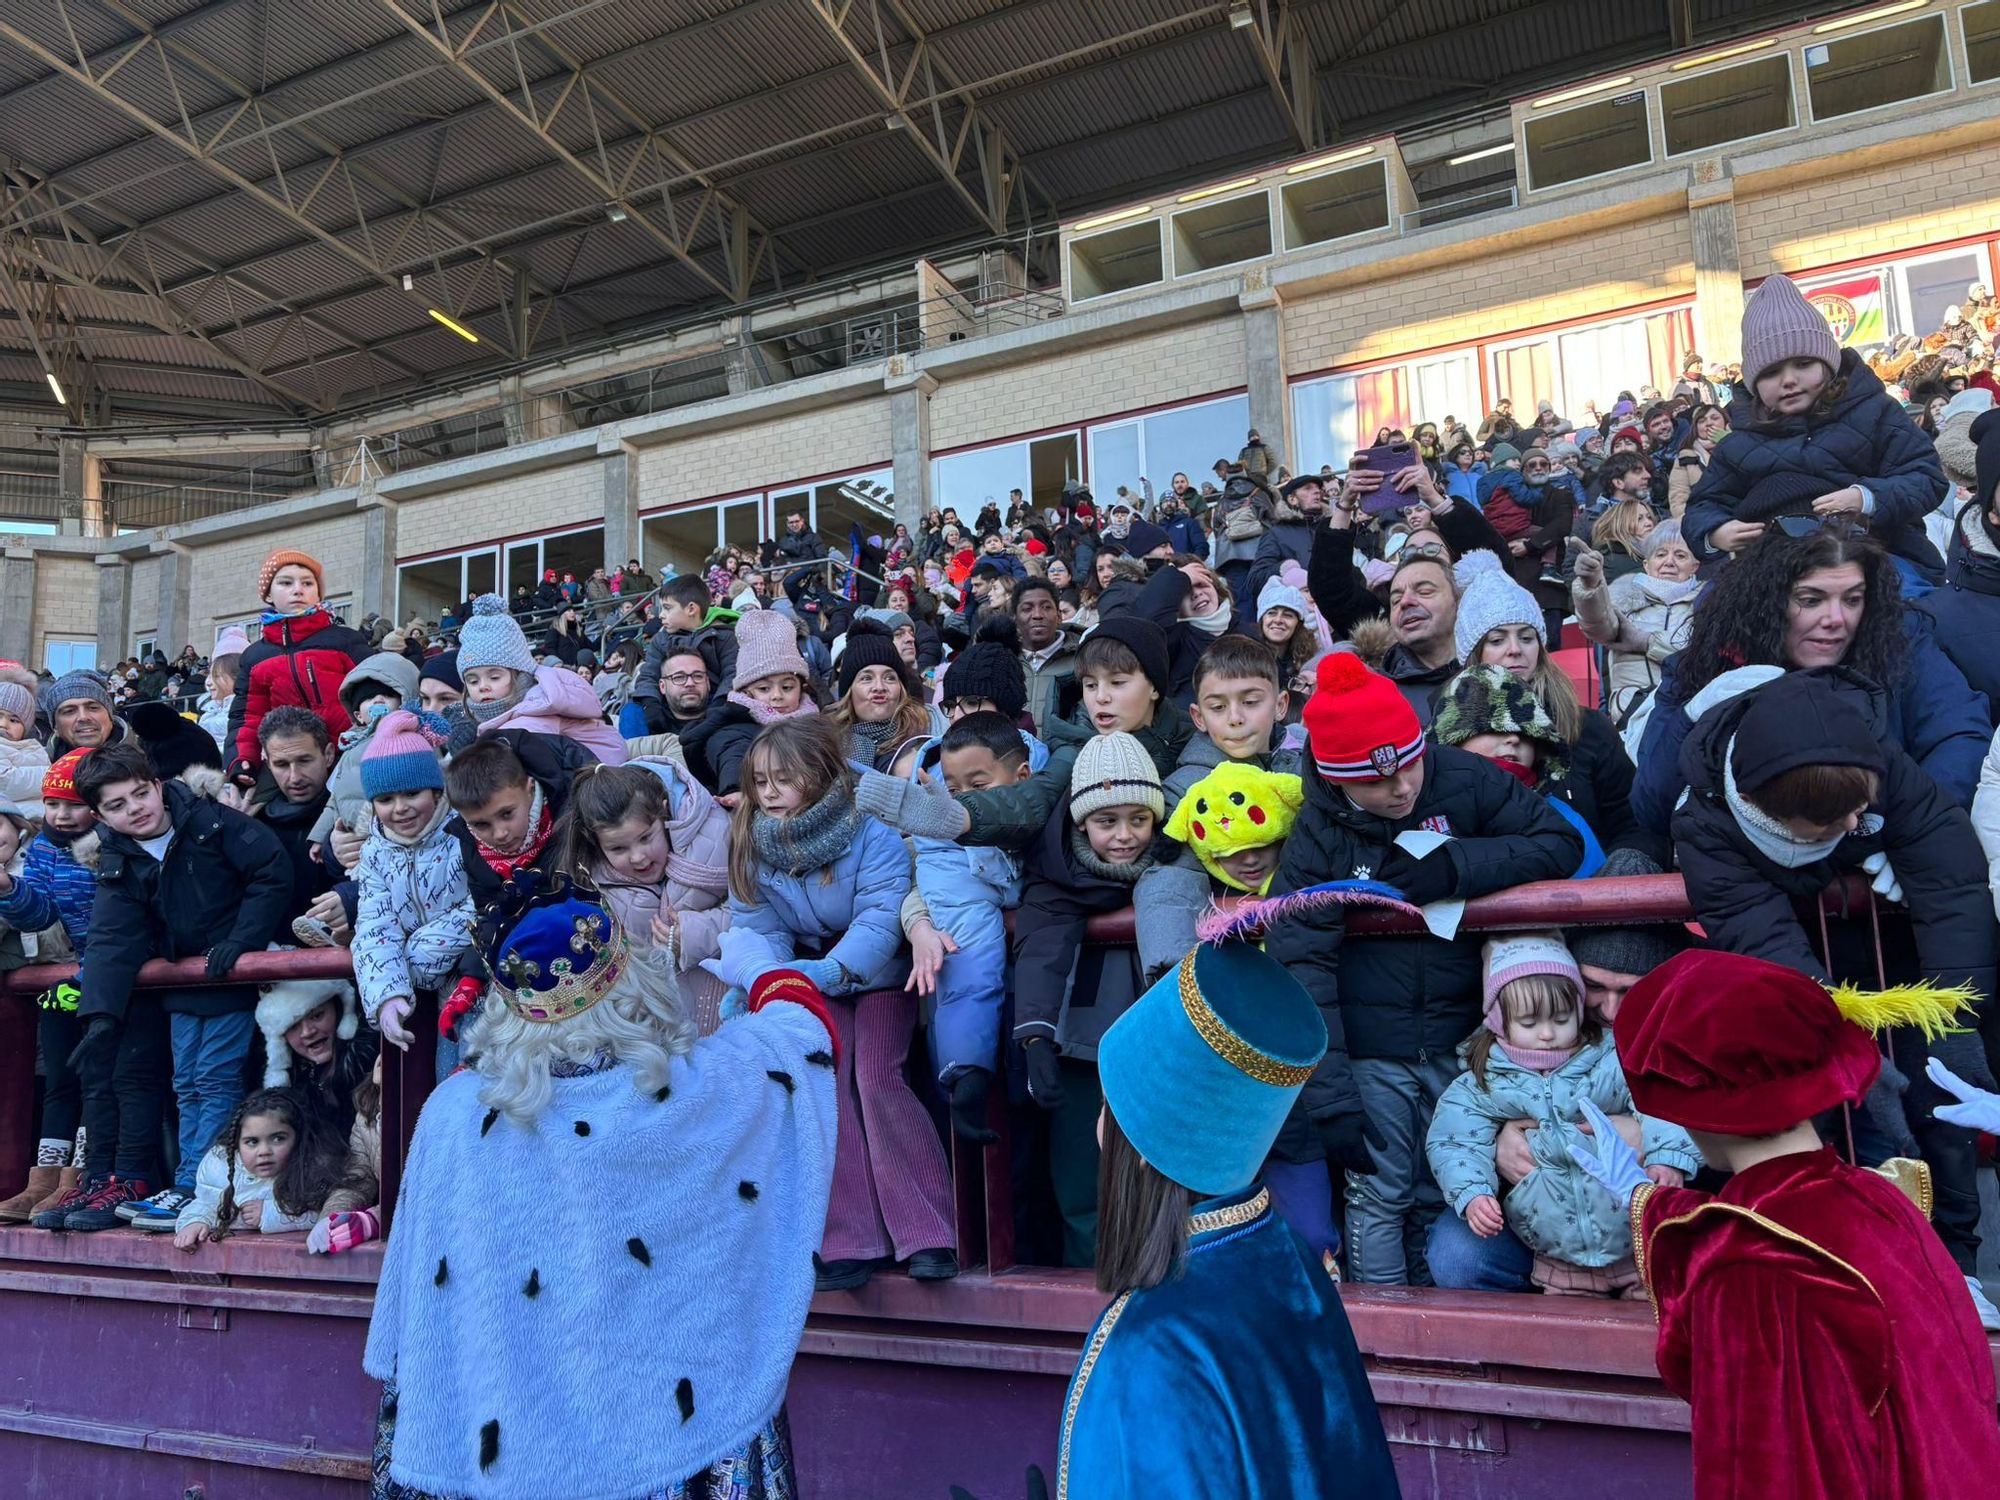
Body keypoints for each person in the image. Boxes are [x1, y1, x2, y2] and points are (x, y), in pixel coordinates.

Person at [367, 884, 839, 1499]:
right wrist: (759, 968)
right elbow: (804, 1039)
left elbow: (419, 1289)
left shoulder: (453, 1113)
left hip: (507, 1431)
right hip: (677, 1432)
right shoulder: (697, 1090)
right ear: (633, 977)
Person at [1568, 949, 2000, 1499]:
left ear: (1691, 1110)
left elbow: (1773, 1471)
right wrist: (1642, 1199)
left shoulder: (1750, 1268)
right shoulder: (1880, 1197)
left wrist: (1643, 1202)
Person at [1670, 668, 1999, 1316]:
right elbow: (1766, 945)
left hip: (1897, 963)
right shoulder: (1706, 826)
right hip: (1798, 984)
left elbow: (1951, 879)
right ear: (1778, 811)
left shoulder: (1865, 754)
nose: (1858, 823)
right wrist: (1842, 1046)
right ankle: (1853, 1273)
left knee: (1943, 1094)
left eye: (1863, 808)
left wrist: (1956, 1013)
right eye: (1836, 819)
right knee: (1839, 1116)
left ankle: (1957, 1267)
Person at [1262, 656, 1583, 1284]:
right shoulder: (1316, 834)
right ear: (1335, 778)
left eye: (1409, 765)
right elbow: (1299, 961)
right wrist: (1330, 1100)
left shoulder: (1464, 777)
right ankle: (1383, 1339)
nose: (1402, 788)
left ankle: (1445, 1340)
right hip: (1372, 1048)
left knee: (1449, 1190)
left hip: (1462, 1038)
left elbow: (1559, 842)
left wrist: (1459, 866)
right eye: (1377, 782)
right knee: (1379, 1195)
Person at [1055, 939, 1399, 1500]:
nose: (1098, 1123)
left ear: (1146, 1146)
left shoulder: (1150, 1342)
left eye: (1107, 1104)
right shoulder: (1292, 1260)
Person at [712, 716, 953, 1291]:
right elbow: (757, 921)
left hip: (879, 968)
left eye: (782, 780)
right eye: (759, 781)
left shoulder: (866, 823)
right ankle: (850, 1239)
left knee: (876, 1077)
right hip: (810, 972)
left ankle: (929, 1230)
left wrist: (828, 971)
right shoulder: (750, 834)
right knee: (827, 1080)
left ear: (819, 776)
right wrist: (761, 981)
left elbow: (880, 910)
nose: (767, 793)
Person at [55, 742, 292, 1233]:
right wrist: (99, 1016)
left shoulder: (211, 822)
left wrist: (243, 940)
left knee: (215, 1078)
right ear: (100, 816)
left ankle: (202, 1187)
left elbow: (270, 869)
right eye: (117, 806)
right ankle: (189, 1180)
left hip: (229, 977)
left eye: (140, 794)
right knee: (187, 1084)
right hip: (183, 980)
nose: (135, 809)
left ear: (158, 787)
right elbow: (110, 938)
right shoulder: (119, 859)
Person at [1629, 528, 1989, 834]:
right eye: (1811, 600)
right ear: (1767, 605)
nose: (1836, 618)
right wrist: (1691, 718)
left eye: (1852, 599)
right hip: (1751, 878)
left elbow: (1959, 734)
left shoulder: (1899, 642)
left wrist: (1910, 832)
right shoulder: (1708, 662)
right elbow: (1651, 807)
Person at [1425, 933, 1695, 1297]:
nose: (1549, 1034)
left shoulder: (1606, 1058)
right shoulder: (1487, 1078)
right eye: (1530, 1023)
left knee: (1656, 1310)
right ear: (1500, 1022)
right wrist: (1474, 1192)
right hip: (1553, 1248)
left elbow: (1658, 1097)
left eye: (1562, 1018)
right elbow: (1453, 1138)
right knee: (1569, 1331)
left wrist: (1668, 1157)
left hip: (1632, 1238)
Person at [1683, 273, 1948, 582]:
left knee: (1909, 613)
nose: (1788, 379)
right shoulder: (1738, 442)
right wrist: (1715, 530)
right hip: (1773, 566)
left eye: (1803, 364)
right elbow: (1703, 504)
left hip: (1882, 553)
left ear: (1828, 363)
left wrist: (1867, 498)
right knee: (1711, 614)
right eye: (1771, 372)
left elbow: (1926, 477)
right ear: (1754, 384)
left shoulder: (1874, 411)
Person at [1451, 552, 1643, 862]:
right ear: (1475, 653)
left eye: (1526, 638)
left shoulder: (1588, 726)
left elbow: (1632, 821)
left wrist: (1628, 864)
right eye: (1498, 640)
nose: (1515, 650)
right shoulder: (1448, 734)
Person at [560, 760, 732, 1035]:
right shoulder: (590, 888)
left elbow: (760, 910)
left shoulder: (717, 836)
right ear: (595, 844)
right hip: (657, 1021)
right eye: (618, 848)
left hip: (730, 998)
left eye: (645, 837)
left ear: (663, 812)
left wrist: (693, 934)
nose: (638, 857)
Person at [0, 752, 98, 1221]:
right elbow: (39, 914)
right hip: (71, 976)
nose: (61, 815)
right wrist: (8, 891)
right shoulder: (43, 847)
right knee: (59, 1080)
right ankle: (42, 1181)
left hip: (112, 976)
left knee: (98, 1082)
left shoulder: (114, 842)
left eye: (73, 805)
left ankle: (80, 1179)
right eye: (52, 804)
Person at [351, 711, 475, 1058]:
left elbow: (482, 901)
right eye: (386, 799)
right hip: (419, 995)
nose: (400, 808)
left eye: (412, 793)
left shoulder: (463, 832)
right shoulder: (376, 851)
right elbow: (375, 925)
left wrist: (422, 953)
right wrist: (388, 995)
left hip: (475, 980)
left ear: (436, 791)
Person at [226, 549, 372, 787]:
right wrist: (242, 758)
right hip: (293, 764)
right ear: (269, 595)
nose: (298, 590)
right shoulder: (255, 657)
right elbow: (248, 716)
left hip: (353, 755)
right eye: (285, 583)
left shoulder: (344, 640)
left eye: (307, 583)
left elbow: (375, 690)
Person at [454, 595, 626, 764]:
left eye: (494, 677)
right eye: (473, 681)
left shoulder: (532, 717)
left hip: (602, 780)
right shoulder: (511, 716)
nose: (483, 686)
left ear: (521, 675)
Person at [170, 1087, 339, 1248]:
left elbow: (324, 1214)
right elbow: (205, 1203)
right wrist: (195, 1222)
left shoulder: (312, 1171)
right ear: (237, 1144)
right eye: (252, 1142)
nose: (264, 1151)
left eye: (278, 1139)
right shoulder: (220, 1169)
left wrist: (271, 1213)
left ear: (298, 1138)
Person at [1571, 519, 1703, 725]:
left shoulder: (1708, 603)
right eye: (1661, 554)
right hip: (1634, 713)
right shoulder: (1623, 596)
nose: (1669, 561)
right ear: (1647, 565)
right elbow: (1599, 628)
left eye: (1680, 555)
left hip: (1692, 711)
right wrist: (1591, 584)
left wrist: (1646, 642)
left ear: (1695, 566)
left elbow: (1704, 654)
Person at [680, 611, 820, 798]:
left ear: (801, 688)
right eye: (764, 688)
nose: (777, 696)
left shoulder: (818, 722)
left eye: (787, 687)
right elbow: (732, 754)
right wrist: (735, 788)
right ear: (747, 691)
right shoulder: (734, 728)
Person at [828, 619, 937, 768]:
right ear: (849, 691)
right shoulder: (827, 749)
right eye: (866, 678)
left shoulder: (927, 738)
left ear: (901, 688)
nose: (879, 687)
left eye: (889, 678)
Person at [1013, 578, 1077, 737]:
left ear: (1059, 616)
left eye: (1046, 607)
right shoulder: (1003, 661)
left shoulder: (1082, 659)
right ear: (1015, 618)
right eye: (1027, 608)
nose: (1037, 615)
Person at [0, 679, 50, 818]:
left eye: (14, 720)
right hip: (12, 821)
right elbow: (4, 781)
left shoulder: (32, 748)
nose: (3, 724)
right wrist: (52, 774)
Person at [198, 653, 240, 750]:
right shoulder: (210, 710)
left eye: (216, 676)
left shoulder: (241, 712)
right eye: (209, 676)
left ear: (236, 678)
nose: (208, 683)